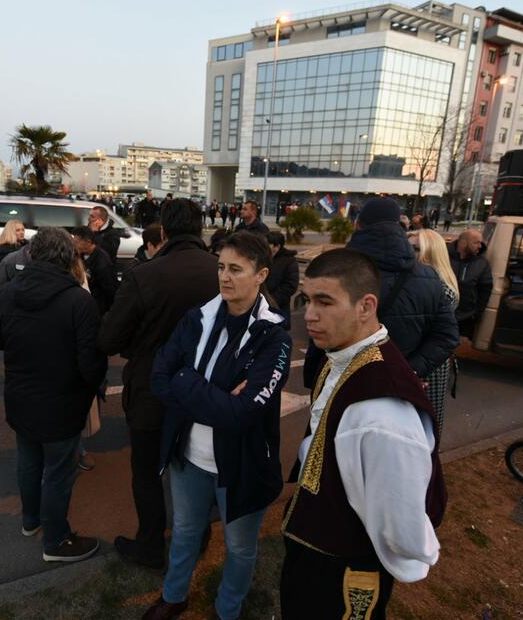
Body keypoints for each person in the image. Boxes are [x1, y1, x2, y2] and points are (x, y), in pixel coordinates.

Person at [280, 248, 446, 618]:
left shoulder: (383, 412)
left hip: (344, 567)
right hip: (317, 547)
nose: (309, 314)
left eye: (325, 301)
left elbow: (400, 520)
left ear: (366, 306)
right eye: (307, 300)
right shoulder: (345, 356)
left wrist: (396, 559)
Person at [144, 232, 291, 620]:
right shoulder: (198, 318)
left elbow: (243, 414)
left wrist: (187, 382)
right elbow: (159, 376)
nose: (225, 277)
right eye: (222, 267)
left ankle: (229, 609)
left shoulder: (273, 335)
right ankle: (174, 597)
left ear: (260, 275)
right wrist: (216, 396)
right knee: (186, 532)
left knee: (240, 548)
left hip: (241, 464)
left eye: (236, 269)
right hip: (189, 456)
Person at [98, 198, 219, 570]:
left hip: (152, 387)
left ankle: (150, 544)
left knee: (148, 471)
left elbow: (109, 339)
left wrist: (142, 342)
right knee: (196, 465)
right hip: (206, 389)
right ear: (200, 229)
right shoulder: (224, 271)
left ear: (163, 231)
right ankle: (197, 536)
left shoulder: (145, 275)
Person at [0, 227, 107, 563]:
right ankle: (56, 540)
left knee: (28, 460)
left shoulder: (7, 293)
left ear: (32, 254)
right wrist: (91, 389)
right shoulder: (79, 300)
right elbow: (90, 363)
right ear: (69, 257)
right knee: (58, 471)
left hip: (21, 396)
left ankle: (31, 520)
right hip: (62, 401)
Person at [304, 197, 459, 387]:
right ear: (400, 225)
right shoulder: (429, 277)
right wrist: (410, 370)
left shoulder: (338, 269)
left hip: (340, 380)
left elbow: (320, 326)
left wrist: (314, 374)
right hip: (395, 387)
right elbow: (447, 336)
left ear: (357, 225)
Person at [414, 229, 459, 435]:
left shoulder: (438, 286)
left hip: (428, 364)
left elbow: (436, 333)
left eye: (415, 248)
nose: (408, 252)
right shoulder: (435, 281)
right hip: (428, 360)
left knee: (423, 423)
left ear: (429, 252)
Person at [448, 229, 493, 340]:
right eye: (475, 242)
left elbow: (485, 289)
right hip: (442, 313)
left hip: (465, 317)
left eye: (480, 242)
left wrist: (477, 313)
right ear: (463, 243)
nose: (480, 246)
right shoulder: (444, 256)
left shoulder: (482, 263)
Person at [71, 226, 118, 315]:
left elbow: (110, 291)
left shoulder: (102, 262)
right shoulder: (79, 254)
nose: (74, 245)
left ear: (88, 242)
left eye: (77, 242)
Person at [265, 231, 299, 329]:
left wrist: (271, 299)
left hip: (279, 308)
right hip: (261, 306)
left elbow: (290, 286)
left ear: (277, 247)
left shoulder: (289, 261)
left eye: (268, 244)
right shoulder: (262, 258)